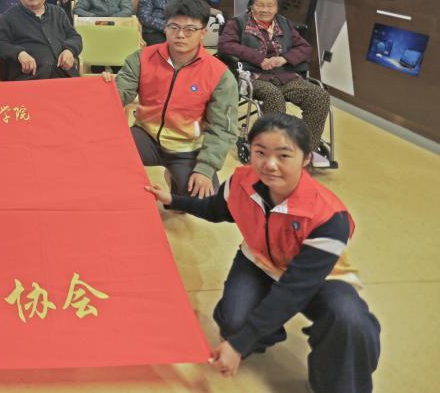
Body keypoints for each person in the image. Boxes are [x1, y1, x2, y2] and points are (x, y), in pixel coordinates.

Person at [144, 113, 380, 393]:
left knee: (350, 320)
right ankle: (266, 329)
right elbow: (215, 209)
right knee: (234, 321)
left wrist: (238, 345)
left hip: (318, 277)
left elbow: (294, 288)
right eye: (260, 152)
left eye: (284, 155)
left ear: (306, 158)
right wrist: (174, 200)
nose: (270, 164)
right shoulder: (241, 182)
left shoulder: (328, 217)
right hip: (259, 262)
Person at [111, 0, 237, 198]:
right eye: (174, 27)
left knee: (202, 199)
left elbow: (223, 128)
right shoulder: (142, 58)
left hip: (187, 147)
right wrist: (107, 90)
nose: (180, 35)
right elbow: (121, 93)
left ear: (203, 33)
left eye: (190, 29)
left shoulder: (220, 75)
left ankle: (175, 177)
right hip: (146, 135)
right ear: (165, 28)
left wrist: (205, 168)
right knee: (105, 154)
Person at [218, 0, 333, 167]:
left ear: (277, 8)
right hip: (253, 76)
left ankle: (305, 149)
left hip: (284, 75)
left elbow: (305, 48)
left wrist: (284, 58)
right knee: (273, 96)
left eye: (270, 5)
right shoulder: (238, 23)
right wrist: (258, 59)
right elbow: (226, 45)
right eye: (260, 5)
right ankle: (273, 149)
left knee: (319, 96)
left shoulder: (284, 23)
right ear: (251, 6)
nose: (265, 9)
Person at [0, 0, 82, 80]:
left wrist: (69, 50)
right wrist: (19, 53)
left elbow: (75, 37)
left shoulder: (58, 13)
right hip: (29, 79)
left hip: (63, 76)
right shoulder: (8, 17)